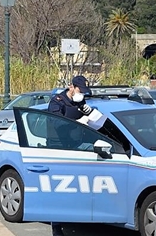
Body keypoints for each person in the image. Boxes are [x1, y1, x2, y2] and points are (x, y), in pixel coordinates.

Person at [46, 75, 92, 236]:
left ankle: (76, 219)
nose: (82, 94)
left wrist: (89, 113)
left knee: (77, 187)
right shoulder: (57, 101)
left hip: (76, 147)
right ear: (71, 87)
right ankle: (56, 225)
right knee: (59, 189)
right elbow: (56, 122)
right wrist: (77, 122)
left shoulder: (79, 101)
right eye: (80, 90)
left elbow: (87, 116)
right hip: (58, 149)